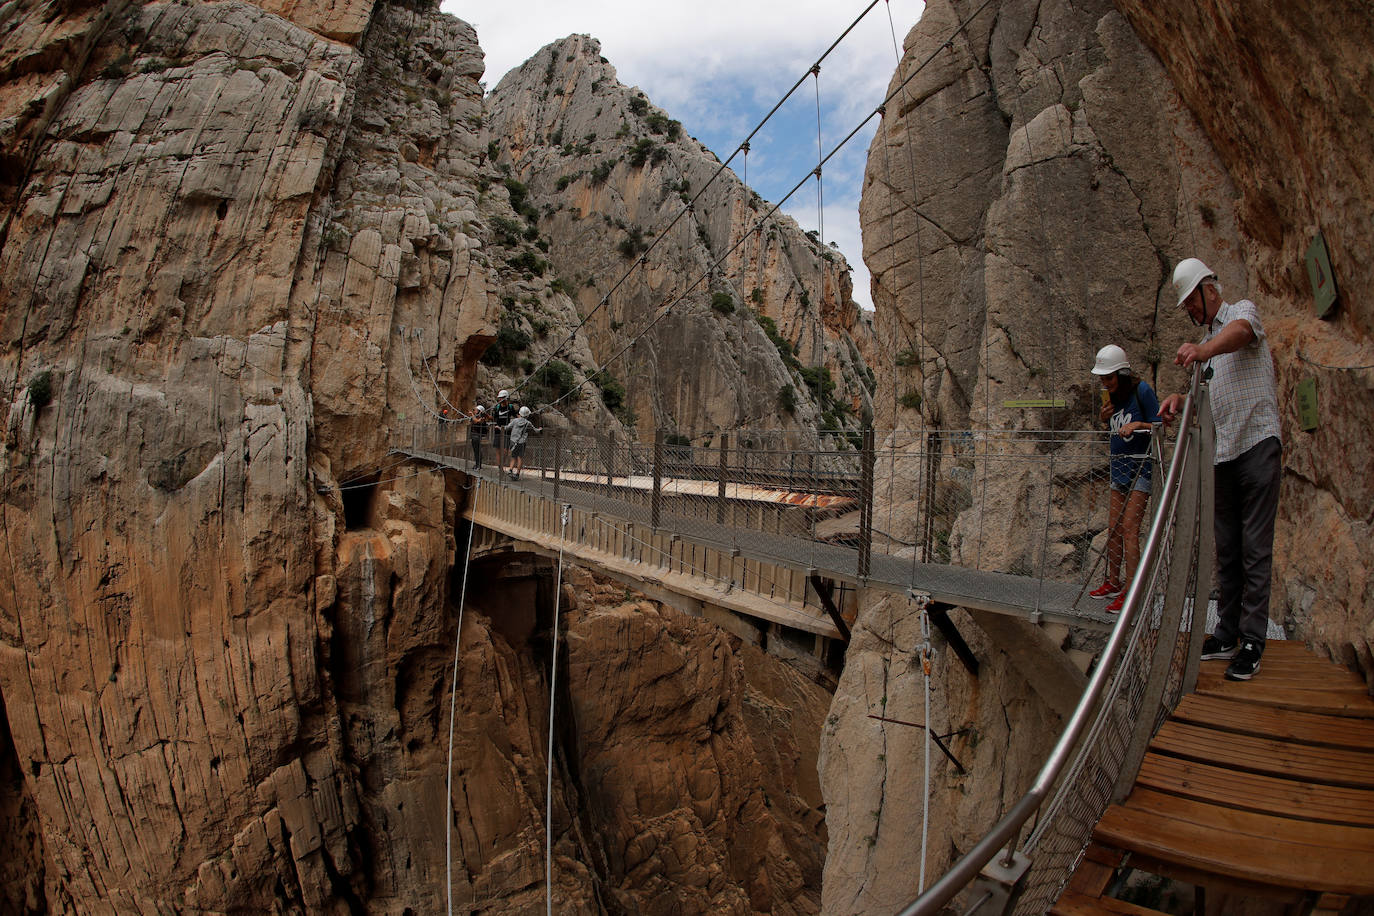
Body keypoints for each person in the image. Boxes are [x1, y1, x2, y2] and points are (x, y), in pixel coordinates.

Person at [1159, 257, 1282, 682]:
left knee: (1254, 548)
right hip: (1224, 454)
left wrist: (1203, 350)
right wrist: (1180, 400)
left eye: (1191, 302)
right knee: (1227, 550)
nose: (1191, 311)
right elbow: (1211, 395)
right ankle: (1227, 632)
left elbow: (1240, 336)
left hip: (1257, 444)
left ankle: (1252, 641)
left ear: (1209, 290)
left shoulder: (1240, 313)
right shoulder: (1208, 348)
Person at [1088, 345, 1161, 613]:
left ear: (1122, 372)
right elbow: (1111, 428)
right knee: (1114, 528)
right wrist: (1103, 418)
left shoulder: (1141, 392)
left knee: (1130, 529)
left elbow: (1160, 425)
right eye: (1102, 379)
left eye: (1109, 377)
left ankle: (1132, 591)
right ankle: (1113, 581)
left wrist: (1138, 425)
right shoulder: (1111, 398)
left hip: (1141, 467)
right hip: (1118, 468)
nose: (1105, 383)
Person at [505, 406, 541, 479]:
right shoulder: (528, 423)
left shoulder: (515, 421)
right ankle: (517, 474)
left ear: (520, 413)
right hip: (521, 442)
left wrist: (500, 428)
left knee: (513, 456)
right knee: (520, 458)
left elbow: (507, 427)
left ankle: (510, 469)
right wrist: (539, 429)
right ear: (527, 415)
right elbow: (535, 430)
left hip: (513, 441)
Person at [491, 389, 515, 471]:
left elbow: (516, 416)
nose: (500, 399)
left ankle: (502, 464)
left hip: (506, 431)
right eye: (499, 398)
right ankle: (500, 468)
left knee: (505, 451)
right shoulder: (497, 407)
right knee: (497, 450)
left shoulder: (510, 407)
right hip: (498, 431)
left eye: (501, 398)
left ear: (506, 398)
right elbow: (494, 418)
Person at [468, 404, 488, 469]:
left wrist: (472, 415)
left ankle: (478, 465)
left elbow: (476, 421)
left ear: (480, 411)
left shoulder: (482, 418)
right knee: (476, 451)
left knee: (477, 451)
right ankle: (477, 465)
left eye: (476, 410)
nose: (474, 411)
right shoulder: (476, 417)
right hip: (474, 436)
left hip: (477, 436)